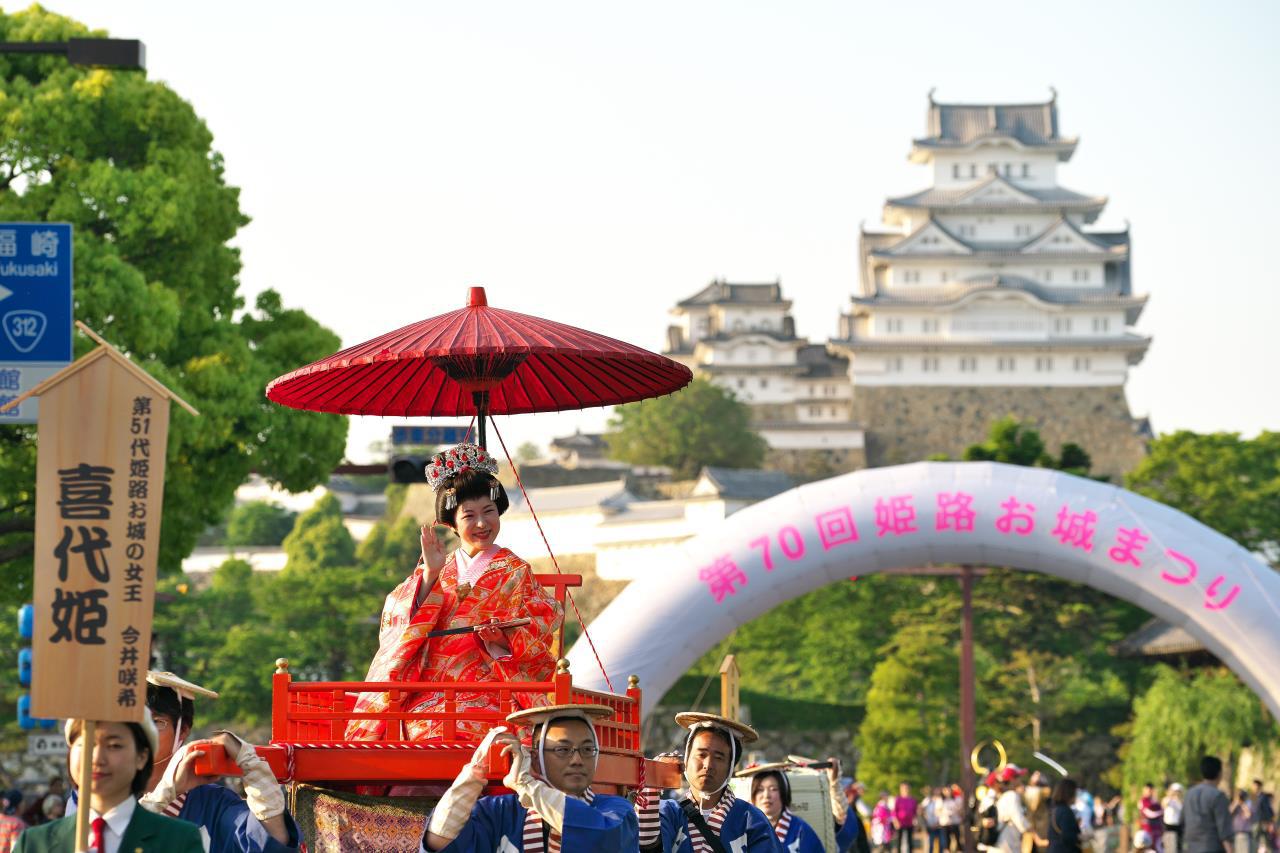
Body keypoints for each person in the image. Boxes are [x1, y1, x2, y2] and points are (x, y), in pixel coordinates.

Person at [349, 443, 563, 742]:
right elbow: (398, 623)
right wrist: (431, 573)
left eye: (489, 512)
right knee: (422, 730)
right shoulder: (438, 568)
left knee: (483, 731)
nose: (481, 523)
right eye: (469, 515)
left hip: (491, 691)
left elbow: (541, 626)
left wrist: (501, 639)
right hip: (430, 694)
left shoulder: (516, 571)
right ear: (451, 522)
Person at [422, 702, 638, 851]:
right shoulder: (499, 811)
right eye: (563, 750)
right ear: (535, 758)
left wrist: (526, 785)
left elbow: (603, 838)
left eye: (587, 749)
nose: (577, 760)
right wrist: (475, 772)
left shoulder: (616, 810)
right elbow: (440, 841)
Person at [138, 670, 300, 852]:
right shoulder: (105, 794)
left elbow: (272, 844)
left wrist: (251, 766)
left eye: (157, 722)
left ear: (182, 731)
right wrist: (161, 798)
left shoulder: (214, 804)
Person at [15, 714, 203, 853]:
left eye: (114, 746)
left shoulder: (179, 841)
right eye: (85, 745)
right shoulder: (33, 843)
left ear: (141, 757)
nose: (97, 758)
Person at [635, 711, 779, 852]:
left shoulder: (752, 820)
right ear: (686, 760)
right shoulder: (668, 812)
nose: (708, 764)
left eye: (719, 757)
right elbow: (647, 845)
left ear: (731, 766)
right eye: (701, 754)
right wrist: (652, 785)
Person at [737, 762, 824, 852]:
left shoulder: (800, 830)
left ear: (783, 793)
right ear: (752, 796)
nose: (766, 795)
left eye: (773, 789)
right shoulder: (740, 830)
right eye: (760, 790)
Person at [1183, 756, 1232, 853]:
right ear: (1220, 773)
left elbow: (1182, 821)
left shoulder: (1189, 794)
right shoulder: (1218, 796)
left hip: (1191, 848)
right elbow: (1224, 830)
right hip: (1212, 847)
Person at [996, 767, 1031, 853]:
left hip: (1001, 843)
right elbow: (1019, 819)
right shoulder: (1012, 795)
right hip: (1008, 844)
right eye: (1018, 776)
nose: (1020, 779)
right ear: (1012, 779)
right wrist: (1032, 831)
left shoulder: (1003, 796)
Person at [1048, 779, 1081, 853]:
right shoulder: (1066, 811)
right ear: (1070, 793)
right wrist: (1081, 837)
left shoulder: (1054, 809)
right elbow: (1067, 836)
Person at [894, 783, 920, 853]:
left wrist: (916, 821)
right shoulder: (898, 799)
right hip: (900, 823)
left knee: (910, 841)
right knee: (899, 841)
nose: (905, 790)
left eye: (907, 788)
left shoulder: (913, 800)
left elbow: (915, 812)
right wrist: (896, 821)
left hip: (910, 823)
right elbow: (894, 812)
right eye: (903, 788)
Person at [1142, 783, 1166, 853]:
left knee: (1158, 848)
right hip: (1148, 829)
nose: (1150, 792)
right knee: (1148, 848)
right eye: (1148, 790)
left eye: (1151, 790)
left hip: (1157, 829)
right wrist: (1161, 812)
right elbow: (1149, 813)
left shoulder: (1155, 801)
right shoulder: (1143, 801)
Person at [1250, 782, 1273, 853]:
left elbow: (1267, 810)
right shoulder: (1255, 797)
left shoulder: (1263, 797)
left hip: (1262, 823)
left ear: (1258, 786)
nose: (1253, 788)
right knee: (1255, 842)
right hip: (1255, 822)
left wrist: (1269, 822)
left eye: (1254, 786)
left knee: (1265, 842)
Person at [1164, 784, 1185, 853]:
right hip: (1168, 825)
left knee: (1179, 845)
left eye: (1178, 791)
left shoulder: (1181, 801)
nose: (1176, 793)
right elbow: (1164, 804)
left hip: (1178, 825)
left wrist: (1178, 798)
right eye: (1175, 791)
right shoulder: (1168, 799)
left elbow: (1182, 809)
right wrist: (1171, 795)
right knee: (1169, 845)